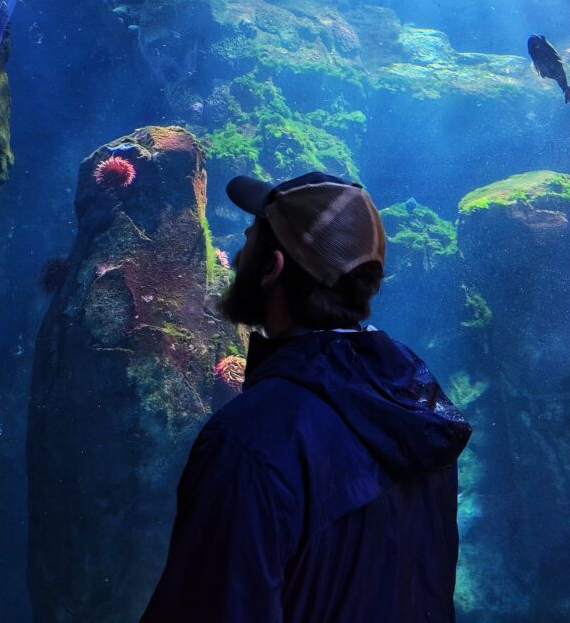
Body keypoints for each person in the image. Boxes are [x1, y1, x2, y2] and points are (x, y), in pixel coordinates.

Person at [140, 172, 472, 623]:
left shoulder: (249, 444)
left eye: (252, 235)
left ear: (272, 268)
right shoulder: (422, 416)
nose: (238, 251)